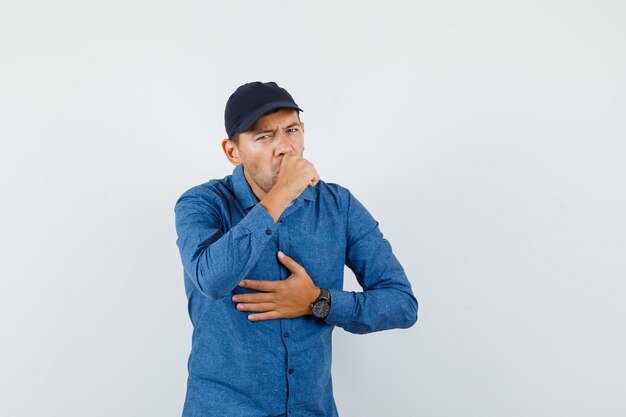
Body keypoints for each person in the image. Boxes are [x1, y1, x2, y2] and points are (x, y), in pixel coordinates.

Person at [174, 81, 418, 417]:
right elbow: (211, 279)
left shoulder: (339, 206)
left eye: (291, 130)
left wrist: (318, 302)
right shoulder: (202, 204)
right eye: (264, 136)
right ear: (233, 152)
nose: (284, 148)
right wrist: (281, 194)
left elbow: (401, 304)